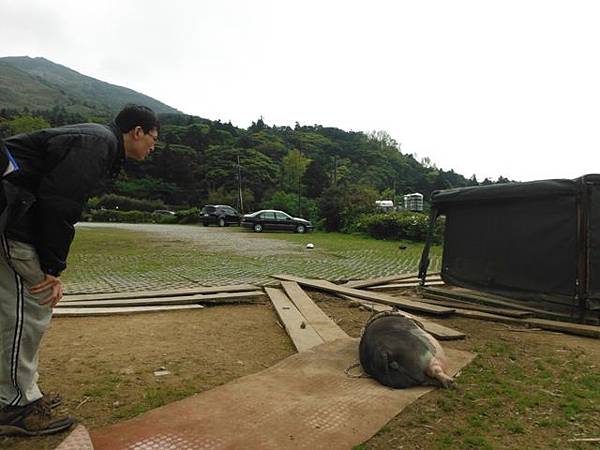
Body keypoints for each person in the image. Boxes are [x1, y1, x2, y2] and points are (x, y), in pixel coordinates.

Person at [0, 104, 159, 436]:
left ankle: (19, 393)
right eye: (153, 139)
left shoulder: (97, 141)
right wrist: (51, 268)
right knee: (29, 309)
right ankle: (15, 406)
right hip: (13, 221)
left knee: (15, 309)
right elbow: (59, 204)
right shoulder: (96, 143)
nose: (153, 147)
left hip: (13, 215)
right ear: (137, 132)